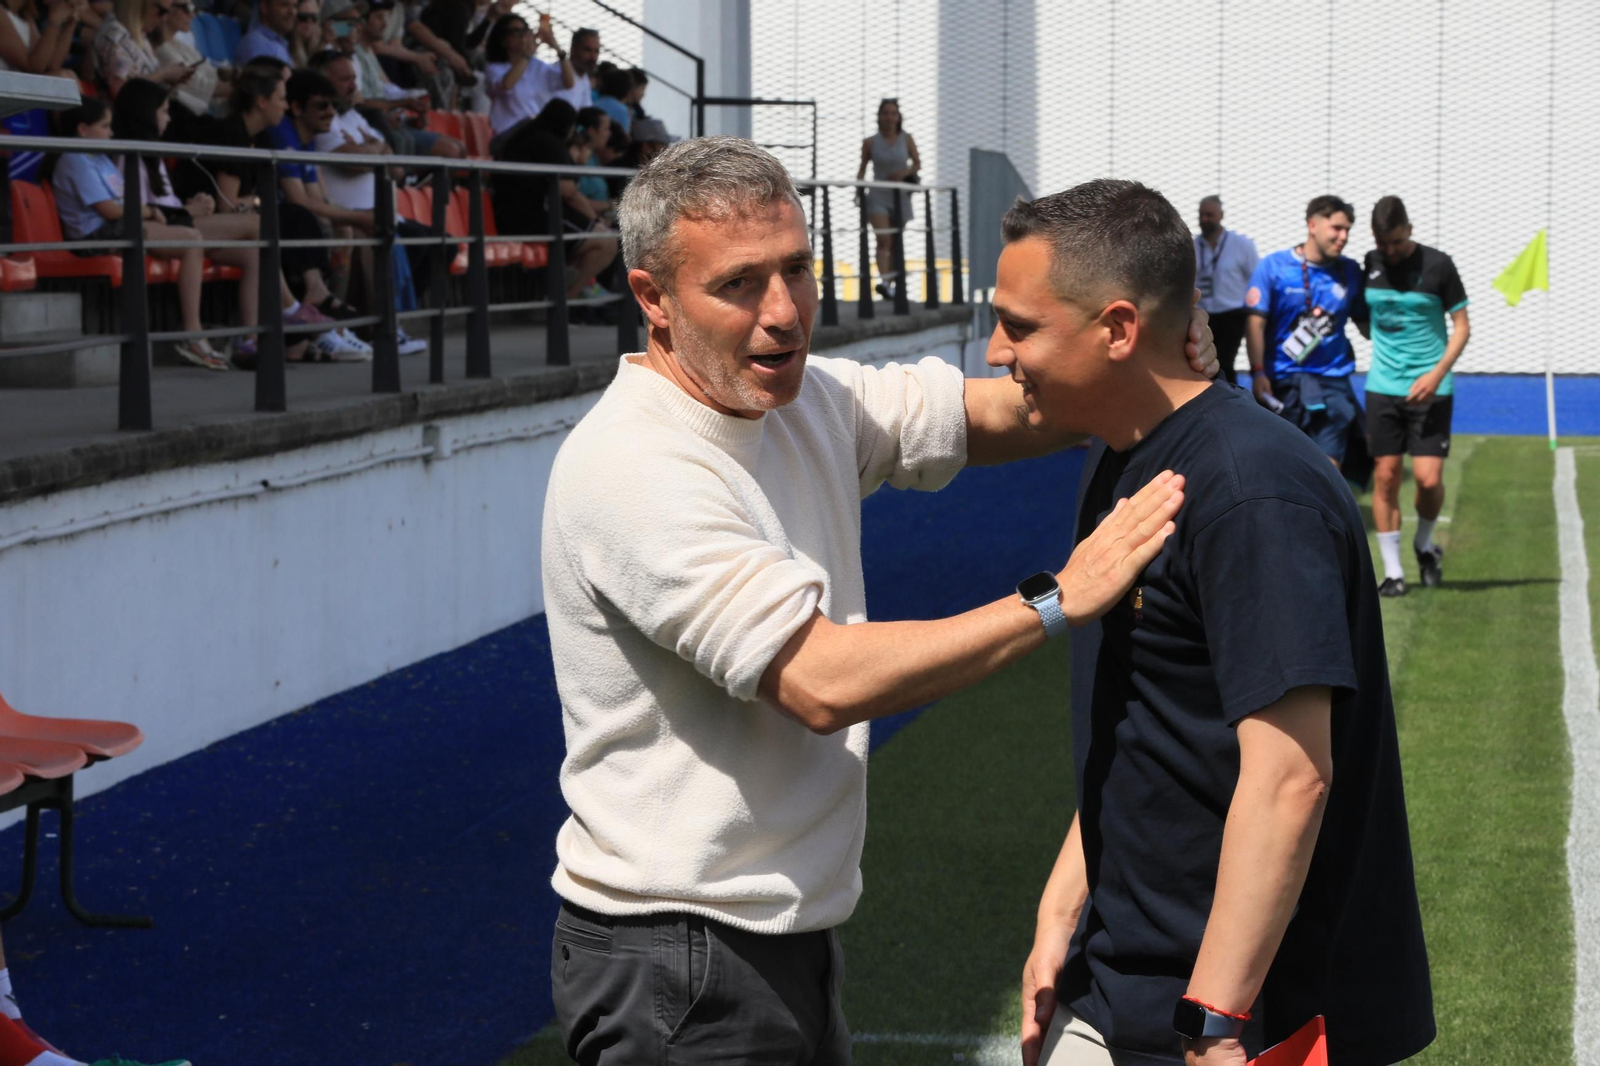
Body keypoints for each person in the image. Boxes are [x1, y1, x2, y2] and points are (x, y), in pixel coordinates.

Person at [538, 137, 1218, 1062]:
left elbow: (1008, 410)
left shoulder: (803, 398)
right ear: (653, 299)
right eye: (739, 285)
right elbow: (821, 680)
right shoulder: (637, 466)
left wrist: (1133, 357)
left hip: (770, 937)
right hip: (678, 958)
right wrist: (1059, 599)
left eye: (798, 270)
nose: (784, 313)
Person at [996, 180, 1433, 1066]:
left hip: (1243, 1020)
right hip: (1120, 989)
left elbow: (1289, 778)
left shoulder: (1249, 492)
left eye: (1020, 325)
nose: (999, 350)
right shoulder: (1124, 461)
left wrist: (1215, 1018)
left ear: (1118, 329)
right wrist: (1059, 914)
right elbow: (1140, 722)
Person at [165, 65, 345, 364]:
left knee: (257, 253)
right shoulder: (231, 133)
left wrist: (254, 202)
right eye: (281, 98)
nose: (286, 106)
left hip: (217, 229)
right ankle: (290, 309)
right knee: (260, 226)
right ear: (261, 101)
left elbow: (247, 201)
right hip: (189, 221)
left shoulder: (259, 138)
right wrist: (254, 204)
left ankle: (249, 340)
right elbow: (228, 205)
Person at [44, 97, 231, 369]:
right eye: (105, 126)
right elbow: (110, 210)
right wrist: (150, 213)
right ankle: (192, 334)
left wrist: (146, 212)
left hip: (116, 228)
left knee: (189, 237)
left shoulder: (99, 158)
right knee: (191, 241)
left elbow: (124, 203)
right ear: (83, 129)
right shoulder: (74, 159)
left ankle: (192, 332)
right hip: (94, 237)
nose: (111, 133)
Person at [1362, 195, 1471, 596]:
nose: (1389, 250)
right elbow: (1362, 316)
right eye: (1382, 242)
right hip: (1383, 389)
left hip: (1433, 389)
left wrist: (1435, 373)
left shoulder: (1438, 265)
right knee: (1386, 476)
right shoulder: (1369, 264)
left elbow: (1462, 326)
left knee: (1427, 480)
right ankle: (1393, 573)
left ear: (1409, 229)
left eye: (1395, 241)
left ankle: (1425, 546)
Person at [307, 47, 434, 355]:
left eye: (354, 78)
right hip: (348, 214)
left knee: (435, 242)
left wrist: (371, 150)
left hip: (382, 214)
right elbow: (354, 162)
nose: (353, 85)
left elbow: (397, 166)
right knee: (378, 238)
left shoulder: (355, 117)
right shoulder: (323, 118)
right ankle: (382, 330)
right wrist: (374, 150)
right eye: (344, 79)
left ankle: (390, 324)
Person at [1244, 195, 1369, 469]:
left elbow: (1366, 322)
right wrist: (1258, 371)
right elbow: (1255, 323)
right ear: (1313, 225)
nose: (1344, 236)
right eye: (1337, 228)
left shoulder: (1350, 271)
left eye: (1347, 229)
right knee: (1281, 465)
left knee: (1329, 469)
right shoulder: (1274, 267)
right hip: (1284, 381)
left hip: (1332, 381)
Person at [271, 66, 380, 360]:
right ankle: (324, 321)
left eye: (333, 104)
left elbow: (318, 197)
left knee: (343, 228)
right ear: (296, 107)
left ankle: (328, 323)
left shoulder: (307, 139)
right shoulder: (282, 133)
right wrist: (358, 218)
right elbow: (298, 200)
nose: (331, 111)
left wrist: (348, 221)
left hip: (293, 225)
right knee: (318, 222)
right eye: (322, 105)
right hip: (276, 222)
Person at [494, 98, 614, 300]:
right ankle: (567, 301)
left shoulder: (524, 136)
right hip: (533, 216)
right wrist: (595, 220)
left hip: (510, 215)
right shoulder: (548, 143)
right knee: (607, 242)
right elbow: (568, 192)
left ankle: (566, 295)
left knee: (596, 241)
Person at [855, 97, 919, 301]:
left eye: (893, 113)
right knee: (884, 239)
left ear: (898, 117)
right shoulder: (870, 142)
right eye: (886, 113)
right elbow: (862, 169)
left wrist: (904, 173)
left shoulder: (907, 139)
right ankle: (884, 281)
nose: (889, 117)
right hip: (878, 194)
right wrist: (858, 193)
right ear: (879, 116)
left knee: (895, 242)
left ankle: (891, 284)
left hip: (900, 195)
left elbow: (917, 163)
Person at [1193, 196, 1257, 386]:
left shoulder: (1242, 245)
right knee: (1203, 361)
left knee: (1225, 361)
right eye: (1201, 215)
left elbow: (1255, 280)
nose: (1205, 219)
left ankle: (1229, 395)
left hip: (1233, 314)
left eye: (1210, 215)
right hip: (1204, 313)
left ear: (1221, 216)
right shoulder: (1192, 246)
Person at [481, 10, 570, 145]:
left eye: (525, 30)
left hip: (533, 133)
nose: (523, 36)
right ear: (503, 40)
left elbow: (569, 83)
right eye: (516, 31)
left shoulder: (537, 65)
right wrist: (527, 55)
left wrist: (556, 47)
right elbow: (506, 85)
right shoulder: (495, 68)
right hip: (506, 137)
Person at [151, 0, 229, 137]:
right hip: (179, 125)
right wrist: (238, 87)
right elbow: (195, 85)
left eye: (193, 8)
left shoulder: (182, 46)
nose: (192, 15)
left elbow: (211, 74)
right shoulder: (160, 49)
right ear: (167, 9)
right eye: (187, 8)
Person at [92, 0, 193, 95]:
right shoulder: (115, 35)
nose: (164, 18)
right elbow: (122, 93)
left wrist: (169, 79)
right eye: (161, 11)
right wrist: (164, 74)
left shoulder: (139, 34)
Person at [233, 0, 292, 65]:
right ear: (264, 7)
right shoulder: (255, 42)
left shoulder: (282, 43)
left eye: (295, 6)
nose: (292, 12)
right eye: (284, 5)